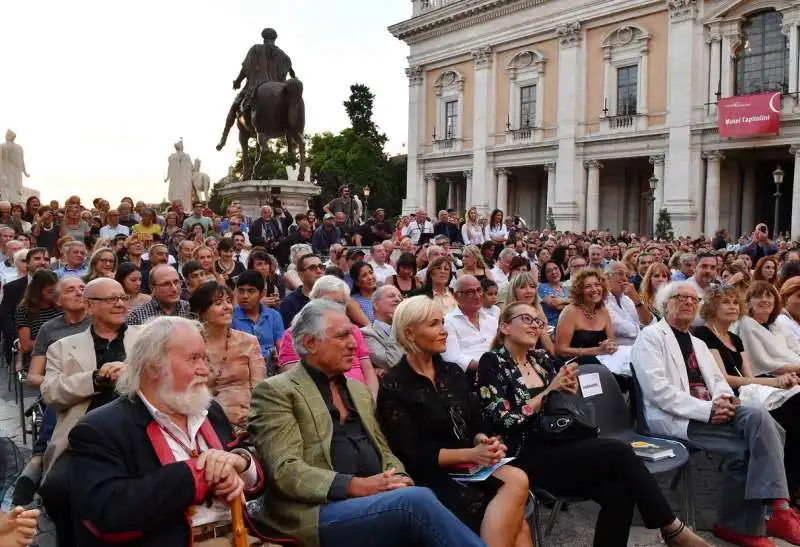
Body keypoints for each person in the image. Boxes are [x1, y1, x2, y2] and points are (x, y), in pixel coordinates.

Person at [248, 299, 484, 547]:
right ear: (310, 343)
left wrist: (399, 478)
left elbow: (384, 450)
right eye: (342, 337)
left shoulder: (358, 390)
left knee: (421, 497)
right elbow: (285, 471)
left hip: (372, 499)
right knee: (415, 502)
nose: (353, 344)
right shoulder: (276, 392)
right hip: (315, 510)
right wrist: (355, 486)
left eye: (352, 335)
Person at [477, 302, 710, 547]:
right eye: (526, 319)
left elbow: (561, 403)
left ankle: (669, 530)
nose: (535, 325)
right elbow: (505, 421)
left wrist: (568, 390)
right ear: (504, 326)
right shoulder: (492, 363)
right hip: (523, 454)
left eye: (538, 321)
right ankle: (672, 528)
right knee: (618, 450)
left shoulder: (541, 359)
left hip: (558, 443)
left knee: (619, 490)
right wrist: (548, 391)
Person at [65, 316, 264, 546]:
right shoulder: (100, 428)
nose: (205, 370)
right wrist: (199, 475)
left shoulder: (207, 407)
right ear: (153, 367)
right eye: (193, 359)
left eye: (204, 358)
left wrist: (240, 462)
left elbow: (250, 473)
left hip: (242, 534)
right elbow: (107, 513)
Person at [631, 281, 800, 546]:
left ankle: (779, 508)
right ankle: (741, 526)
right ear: (665, 305)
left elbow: (718, 381)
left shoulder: (697, 342)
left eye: (693, 299)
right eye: (680, 297)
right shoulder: (651, 337)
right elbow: (658, 392)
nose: (688, 302)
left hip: (714, 411)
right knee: (747, 449)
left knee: (757, 415)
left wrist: (725, 401)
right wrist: (708, 410)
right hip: (681, 417)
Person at [377, 295, 532, 546]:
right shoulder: (395, 385)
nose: (444, 331)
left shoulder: (452, 372)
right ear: (410, 333)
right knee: (518, 527)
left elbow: (475, 421)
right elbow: (413, 454)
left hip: (470, 466)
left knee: (517, 483)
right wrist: (473, 454)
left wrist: (485, 441)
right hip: (432, 476)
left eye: (442, 323)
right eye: (434, 324)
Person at [39, 278, 142, 545]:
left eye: (122, 298)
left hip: (141, 431)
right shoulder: (62, 347)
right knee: (57, 489)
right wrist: (94, 379)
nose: (120, 304)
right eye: (111, 299)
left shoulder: (145, 338)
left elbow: (165, 378)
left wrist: (129, 374)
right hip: (83, 438)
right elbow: (50, 392)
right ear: (89, 306)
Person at [693, 285, 800, 503]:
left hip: (751, 391)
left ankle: (788, 486)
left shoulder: (734, 337)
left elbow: (748, 376)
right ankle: (784, 490)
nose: (732, 306)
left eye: (735, 302)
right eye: (726, 302)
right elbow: (724, 379)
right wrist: (774, 381)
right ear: (712, 306)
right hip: (728, 397)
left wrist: (779, 384)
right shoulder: (704, 334)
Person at [277, 275, 379, 396]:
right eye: (327, 301)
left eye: (340, 303)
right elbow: (294, 382)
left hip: (361, 400)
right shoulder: (293, 334)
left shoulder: (354, 330)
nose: (334, 307)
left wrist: (371, 402)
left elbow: (368, 371)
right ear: (313, 300)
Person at [190, 281, 265, 430]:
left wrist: (254, 413)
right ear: (203, 311)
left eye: (229, 302)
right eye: (218, 303)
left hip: (248, 419)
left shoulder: (249, 342)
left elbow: (259, 389)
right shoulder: (190, 346)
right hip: (205, 421)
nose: (227, 307)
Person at [555, 269, 618, 364]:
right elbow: (559, 350)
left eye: (597, 285)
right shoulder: (570, 312)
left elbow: (611, 341)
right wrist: (595, 351)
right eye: (588, 286)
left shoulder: (603, 310)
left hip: (603, 361)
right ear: (580, 291)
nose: (594, 289)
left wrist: (609, 346)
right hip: (575, 365)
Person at [441, 275, 499, 375]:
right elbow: (452, 357)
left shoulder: (492, 320)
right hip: (467, 376)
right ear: (456, 296)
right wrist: (484, 367)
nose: (477, 296)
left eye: (479, 290)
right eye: (470, 292)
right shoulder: (448, 322)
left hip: (498, 371)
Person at [231, 270, 284, 373]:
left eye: (251, 291)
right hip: (242, 371)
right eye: (241, 291)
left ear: (262, 293)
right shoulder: (230, 317)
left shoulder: (273, 316)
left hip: (272, 370)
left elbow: (281, 348)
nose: (245, 296)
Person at [127, 265, 192, 325]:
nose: (174, 289)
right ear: (152, 288)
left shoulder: (190, 309)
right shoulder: (137, 317)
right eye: (166, 284)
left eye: (176, 282)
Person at [361, 285, 404, 376]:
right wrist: (396, 325)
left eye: (400, 297)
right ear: (376, 305)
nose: (398, 299)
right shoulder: (366, 333)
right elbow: (393, 364)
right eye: (391, 296)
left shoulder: (411, 328)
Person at [604, 262, 650, 346]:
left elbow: (648, 320)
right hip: (619, 352)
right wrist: (646, 329)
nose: (625, 278)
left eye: (627, 275)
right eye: (620, 273)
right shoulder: (601, 300)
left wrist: (636, 299)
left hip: (641, 346)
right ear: (606, 277)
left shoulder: (628, 297)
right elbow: (625, 330)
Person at [278, 253, 324, 328]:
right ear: (301, 275)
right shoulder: (289, 303)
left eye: (321, 267)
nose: (319, 271)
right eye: (312, 268)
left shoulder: (332, 296)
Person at [538, 260, 569, 327]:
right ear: (545, 275)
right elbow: (555, 304)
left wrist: (561, 301)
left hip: (569, 324)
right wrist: (571, 302)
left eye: (556, 269)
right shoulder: (542, 287)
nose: (554, 272)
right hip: (553, 327)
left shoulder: (566, 289)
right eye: (549, 271)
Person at [349, 261, 376, 326]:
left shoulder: (383, 294)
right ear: (356, 282)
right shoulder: (352, 302)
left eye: (371, 273)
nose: (370, 277)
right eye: (364, 276)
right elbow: (370, 327)